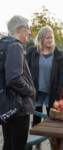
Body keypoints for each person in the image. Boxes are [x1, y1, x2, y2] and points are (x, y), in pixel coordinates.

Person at [2, 15, 36, 150]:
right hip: (19, 107)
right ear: (20, 29)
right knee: (18, 146)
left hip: (8, 105)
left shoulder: (4, 44)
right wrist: (30, 90)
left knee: (8, 144)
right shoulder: (15, 46)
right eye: (28, 29)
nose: (29, 32)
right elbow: (13, 78)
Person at [26, 26, 63, 126]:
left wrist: (60, 93)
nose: (50, 40)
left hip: (51, 92)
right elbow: (25, 70)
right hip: (36, 91)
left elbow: (62, 76)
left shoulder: (58, 55)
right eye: (47, 38)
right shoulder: (32, 52)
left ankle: (52, 141)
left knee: (51, 119)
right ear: (41, 39)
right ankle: (36, 140)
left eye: (51, 37)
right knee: (36, 119)